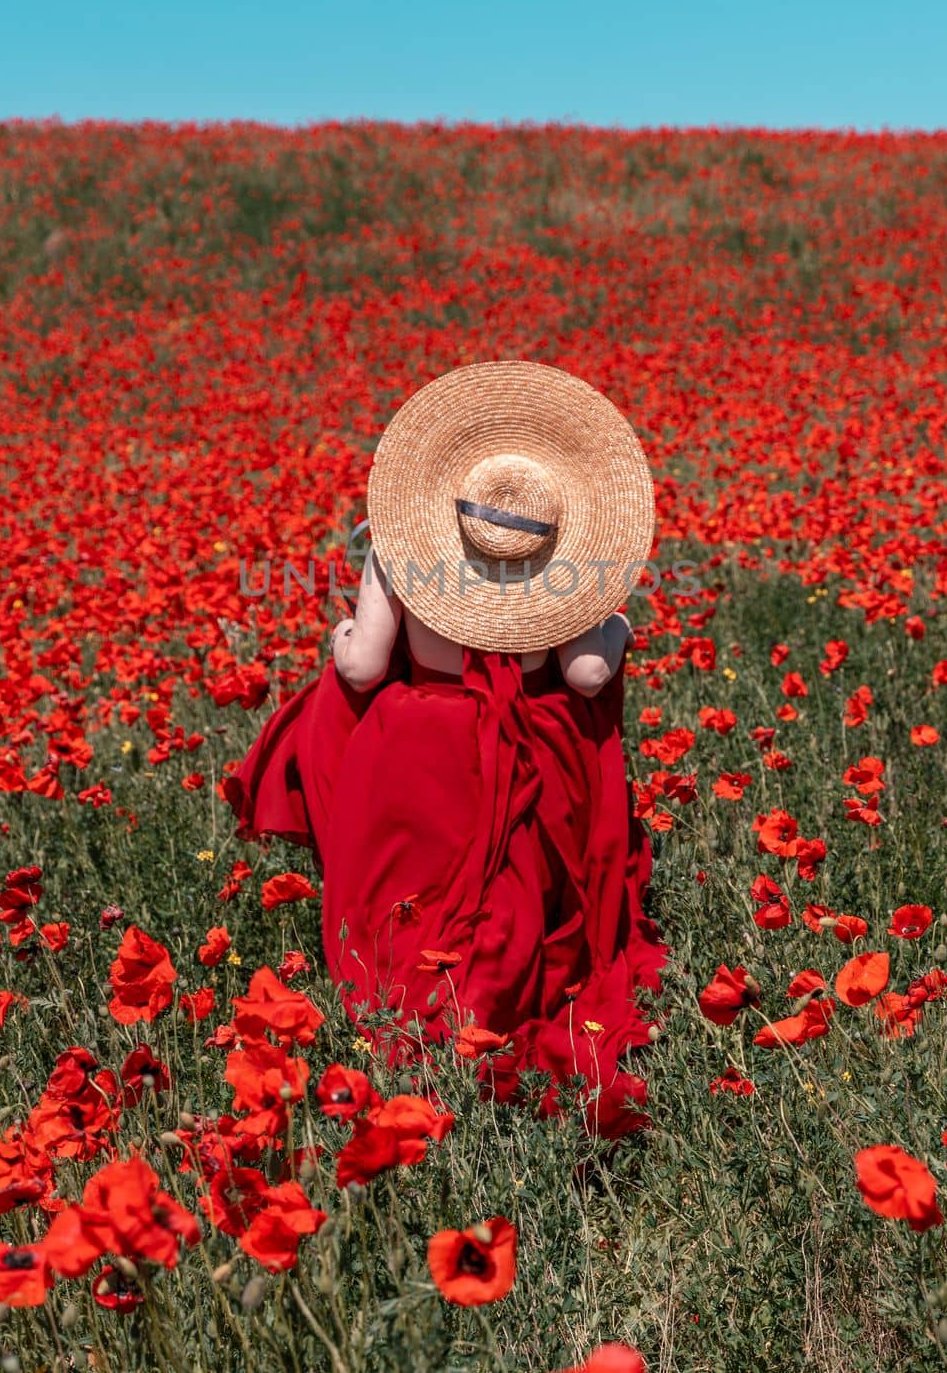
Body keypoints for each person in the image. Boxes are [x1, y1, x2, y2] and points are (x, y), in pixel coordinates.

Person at [224, 360, 667, 1141]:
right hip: (527, 746)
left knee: (411, 888)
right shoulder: (561, 570)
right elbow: (588, 676)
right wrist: (620, 629)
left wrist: (338, 640)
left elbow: (362, 665)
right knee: (512, 888)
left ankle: (410, 1014)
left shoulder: (399, 551)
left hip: (418, 748)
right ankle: (497, 1003)